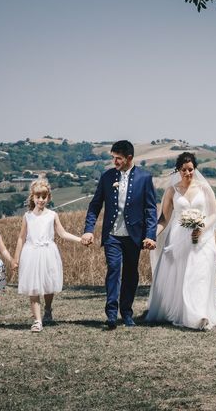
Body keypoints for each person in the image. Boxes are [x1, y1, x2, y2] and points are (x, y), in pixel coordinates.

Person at [146, 152, 216, 330]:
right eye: (184, 170)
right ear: (178, 170)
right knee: (180, 277)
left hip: (202, 239)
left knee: (198, 276)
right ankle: (179, 312)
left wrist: (202, 228)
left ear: (195, 169)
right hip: (177, 238)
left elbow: (214, 214)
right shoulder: (172, 190)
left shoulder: (204, 188)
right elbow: (164, 219)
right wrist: (152, 235)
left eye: (190, 169)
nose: (188, 173)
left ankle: (199, 315)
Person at [81, 140, 157, 329]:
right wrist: (89, 230)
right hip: (112, 235)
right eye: (113, 157)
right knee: (114, 269)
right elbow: (95, 205)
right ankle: (112, 315)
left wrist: (150, 235)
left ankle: (127, 312)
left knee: (131, 273)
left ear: (129, 158)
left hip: (134, 236)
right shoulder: (107, 177)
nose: (114, 161)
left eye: (118, 158)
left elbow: (150, 210)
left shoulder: (144, 178)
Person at [12, 179, 81, 332]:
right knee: (34, 288)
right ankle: (37, 321)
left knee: (48, 285)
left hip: (48, 252)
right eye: (38, 197)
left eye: (44, 197)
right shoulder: (28, 216)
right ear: (33, 197)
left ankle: (48, 309)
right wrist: (16, 259)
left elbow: (62, 233)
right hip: (31, 253)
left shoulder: (52, 215)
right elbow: (21, 238)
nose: (41, 200)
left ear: (48, 197)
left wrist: (80, 239)